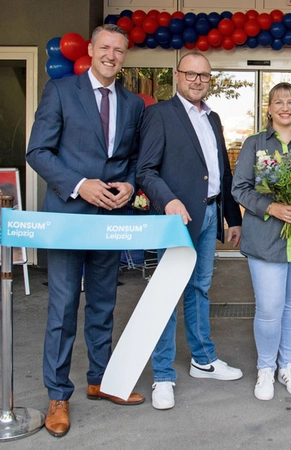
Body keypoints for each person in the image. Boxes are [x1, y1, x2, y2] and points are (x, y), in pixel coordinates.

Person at [26, 24, 146, 438]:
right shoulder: (61, 92)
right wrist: (81, 185)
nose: (112, 55)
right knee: (61, 309)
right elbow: (37, 150)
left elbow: (131, 159)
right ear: (91, 50)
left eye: (120, 50)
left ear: (125, 56)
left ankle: (102, 380)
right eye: (105, 48)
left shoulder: (132, 104)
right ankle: (58, 395)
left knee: (103, 304)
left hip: (110, 219)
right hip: (67, 218)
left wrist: (130, 185)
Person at [136, 51, 243, 411]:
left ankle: (203, 359)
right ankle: (163, 375)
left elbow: (222, 173)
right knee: (167, 296)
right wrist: (168, 201)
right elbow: (146, 171)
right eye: (191, 74)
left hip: (211, 213)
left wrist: (234, 217)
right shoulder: (159, 115)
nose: (198, 81)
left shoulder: (213, 118)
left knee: (200, 288)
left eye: (205, 76)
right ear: (177, 76)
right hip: (174, 219)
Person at [231, 82, 291, 401]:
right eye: (278, 102)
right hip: (265, 240)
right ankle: (265, 369)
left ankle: (288, 364)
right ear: (269, 108)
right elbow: (240, 188)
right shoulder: (254, 144)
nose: (285, 107)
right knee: (270, 308)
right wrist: (271, 206)